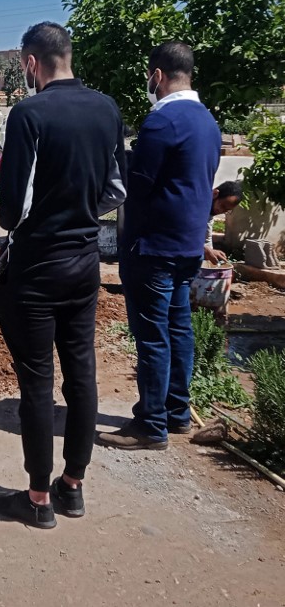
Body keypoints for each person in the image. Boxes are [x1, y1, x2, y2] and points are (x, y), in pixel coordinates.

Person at [0, 22, 126, 529]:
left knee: (36, 384)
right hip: (84, 263)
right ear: (68, 55)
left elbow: (11, 213)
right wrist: (79, 209)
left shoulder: (29, 114)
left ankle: (38, 499)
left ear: (30, 63)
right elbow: (116, 188)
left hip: (37, 269)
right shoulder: (107, 108)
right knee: (82, 373)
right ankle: (74, 487)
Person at [99, 41, 221, 451]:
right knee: (178, 328)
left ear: (157, 75)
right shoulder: (208, 121)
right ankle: (177, 413)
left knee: (153, 336)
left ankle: (151, 426)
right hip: (187, 246)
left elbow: (138, 186)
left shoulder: (161, 122)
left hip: (153, 247)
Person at [204, 180, 243, 263]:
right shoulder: (194, 208)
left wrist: (211, 253)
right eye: (222, 206)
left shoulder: (210, 213)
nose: (221, 211)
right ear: (215, 193)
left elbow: (207, 238)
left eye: (227, 210)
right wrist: (204, 249)